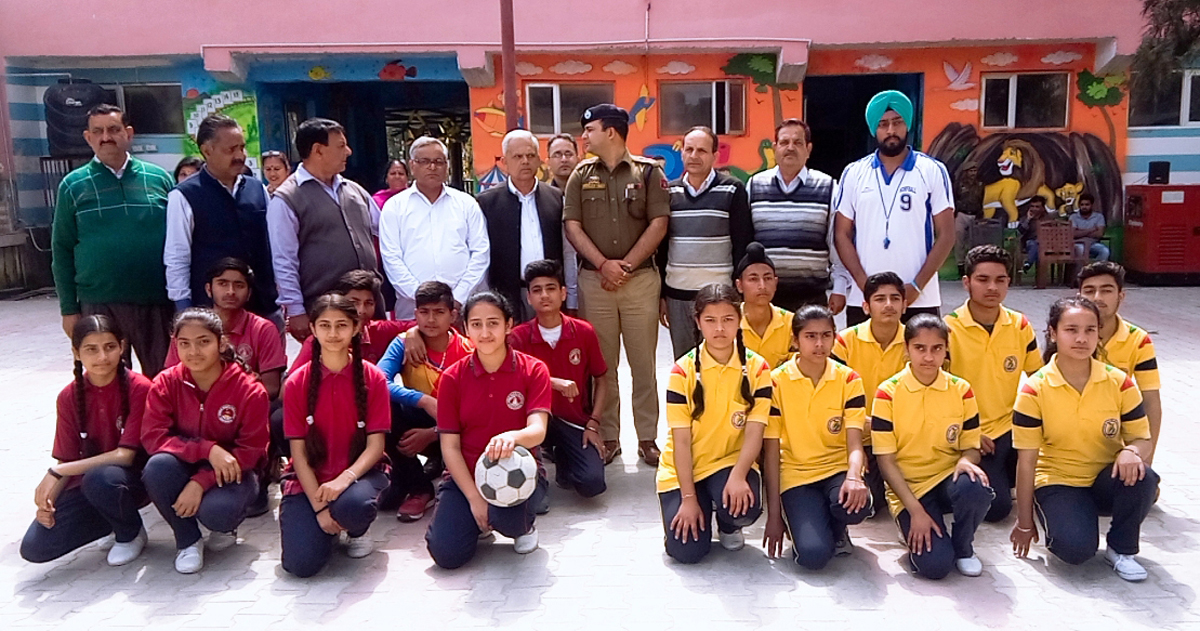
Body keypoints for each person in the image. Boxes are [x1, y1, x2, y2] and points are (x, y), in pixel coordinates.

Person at [1010, 297, 1157, 582]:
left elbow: (1142, 437)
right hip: (1059, 480)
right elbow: (1026, 463)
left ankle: (1121, 548)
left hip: (1106, 477)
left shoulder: (1119, 382)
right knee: (1075, 551)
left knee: (1144, 476)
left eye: (1090, 330)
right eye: (1071, 329)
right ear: (1053, 332)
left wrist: (1132, 451)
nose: (1081, 338)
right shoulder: (1034, 389)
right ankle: (1067, 519)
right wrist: (1024, 522)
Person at [563, 103, 670, 466]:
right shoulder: (580, 174)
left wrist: (625, 265)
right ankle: (609, 436)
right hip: (595, 282)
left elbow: (659, 222)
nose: (585, 136)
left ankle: (647, 438)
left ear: (611, 131)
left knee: (643, 364)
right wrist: (603, 264)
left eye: (590, 129)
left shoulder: (648, 172)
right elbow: (572, 226)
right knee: (603, 365)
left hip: (639, 281)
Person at [425, 292, 550, 569]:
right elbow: (450, 447)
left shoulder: (533, 370)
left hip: (520, 472)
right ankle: (478, 521)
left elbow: (538, 430)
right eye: (476, 324)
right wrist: (473, 498)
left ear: (508, 325)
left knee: (507, 519)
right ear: (466, 329)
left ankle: (522, 526)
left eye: (493, 323)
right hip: (465, 474)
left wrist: (512, 437)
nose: (485, 332)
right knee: (446, 555)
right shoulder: (452, 378)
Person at [140, 308, 269, 573]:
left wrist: (201, 481)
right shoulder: (166, 382)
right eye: (184, 344)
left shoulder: (249, 389)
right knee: (157, 468)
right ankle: (188, 540)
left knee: (217, 512)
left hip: (234, 472)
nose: (194, 352)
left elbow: (253, 450)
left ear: (221, 343)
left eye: (203, 342)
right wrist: (207, 449)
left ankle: (226, 525)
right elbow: (153, 437)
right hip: (181, 465)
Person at [51, 104, 176, 376]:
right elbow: (61, 249)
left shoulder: (160, 179)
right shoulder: (73, 185)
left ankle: (159, 422)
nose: (106, 137)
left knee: (163, 377)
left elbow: (179, 240)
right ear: (88, 137)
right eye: (98, 131)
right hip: (99, 301)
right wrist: (69, 310)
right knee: (109, 378)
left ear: (128, 133)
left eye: (113, 129)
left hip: (155, 300)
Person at [20, 316, 153, 566]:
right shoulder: (68, 396)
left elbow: (125, 455)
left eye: (110, 347)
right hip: (92, 485)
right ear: (76, 352)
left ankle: (130, 533)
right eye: (92, 349)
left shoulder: (141, 388)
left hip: (132, 480)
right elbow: (66, 458)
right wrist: (48, 503)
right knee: (35, 547)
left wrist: (56, 471)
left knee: (99, 478)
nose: (102, 357)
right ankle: (112, 520)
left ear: (122, 347)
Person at [872, 314, 993, 580]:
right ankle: (912, 525)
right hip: (909, 487)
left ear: (946, 349)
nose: (928, 357)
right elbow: (886, 462)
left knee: (976, 487)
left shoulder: (961, 390)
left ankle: (964, 546)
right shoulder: (887, 393)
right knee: (935, 566)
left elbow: (971, 446)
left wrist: (966, 460)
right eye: (920, 348)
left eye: (937, 348)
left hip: (947, 478)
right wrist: (915, 511)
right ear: (907, 349)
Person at [658, 283, 771, 564]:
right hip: (684, 469)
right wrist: (687, 497)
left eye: (727, 319)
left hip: (728, 464)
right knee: (687, 553)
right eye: (710, 320)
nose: (719, 329)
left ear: (740, 318)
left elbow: (755, 432)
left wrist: (738, 476)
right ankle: (699, 507)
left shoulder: (758, 367)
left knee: (743, 508)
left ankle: (728, 524)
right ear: (697, 321)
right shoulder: (682, 371)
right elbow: (681, 441)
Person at [279, 294, 391, 577]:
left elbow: (375, 446)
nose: (332, 333)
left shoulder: (372, 377)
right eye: (324, 325)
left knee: (354, 505)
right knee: (301, 566)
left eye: (341, 325)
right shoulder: (296, 382)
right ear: (313, 330)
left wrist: (344, 480)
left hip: (357, 477)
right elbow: (298, 454)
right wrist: (318, 509)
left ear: (355, 328)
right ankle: (326, 528)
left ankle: (354, 528)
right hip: (311, 482)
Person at [833, 91, 956, 327]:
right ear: (874, 129)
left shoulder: (932, 170)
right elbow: (841, 234)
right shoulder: (853, 173)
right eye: (883, 124)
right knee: (863, 363)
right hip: (864, 299)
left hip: (919, 297)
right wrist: (865, 285)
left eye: (897, 122)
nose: (891, 130)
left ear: (907, 125)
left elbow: (947, 235)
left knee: (922, 361)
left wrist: (916, 286)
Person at [762, 306, 870, 570]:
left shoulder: (849, 379)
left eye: (826, 335)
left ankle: (837, 524)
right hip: (797, 476)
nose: (819, 344)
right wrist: (774, 515)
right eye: (810, 336)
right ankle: (809, 521)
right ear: (795, 340)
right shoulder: (776, 382)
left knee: (857, 505)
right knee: (813, 557)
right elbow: (772, 452)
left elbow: (855, 444)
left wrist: (855, 477)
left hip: (837, 470)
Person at [945, 245, 1042, 522]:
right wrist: (967, 433)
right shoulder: (948, 329)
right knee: (996, 509)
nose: (992, 287)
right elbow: (935, 390)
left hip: (1011, 429)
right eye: (983, 279)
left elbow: (1039, 381)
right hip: (972, 435)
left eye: (1000, 280)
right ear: (967, 283)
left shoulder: (1020, 325)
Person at [267, 117, 381, 342]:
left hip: (367, 308)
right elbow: (284, 260)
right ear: (318, 150)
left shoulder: (354, 190)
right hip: (326, 312)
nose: (348, 151)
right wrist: (296, 310)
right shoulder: (287, 198)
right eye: (340, 146)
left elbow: (384, 232)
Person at [510, 260, 608, 505]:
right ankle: (539, 468)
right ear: (529, 298)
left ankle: (562, 455)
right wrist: (554, 383)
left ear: (563, 293)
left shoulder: (583, 332)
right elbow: (510, 379)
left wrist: (593, 424)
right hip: (531, 421)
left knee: (591, 483)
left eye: (551, 288)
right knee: (535, 500)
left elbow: (602, 378)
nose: (544, 295)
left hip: (573, 420)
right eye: (537, 290)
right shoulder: (518, 337)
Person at [165, 114, 279, 321]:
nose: (240, 155)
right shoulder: (184, 196)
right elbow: (177, 256)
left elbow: (274, 245)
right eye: (231, 150)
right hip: (210, 314)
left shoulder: (257, 189)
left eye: (242, 148)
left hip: (263, 308)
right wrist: (184, 307)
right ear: (207, 151)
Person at [376, 281, 473, 522]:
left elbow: (478, 407)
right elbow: (378, 381)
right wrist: (423, 400)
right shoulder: (403, 343)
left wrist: (435, 432)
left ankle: (446, 468)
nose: (431, 320)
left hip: (460, 430)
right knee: (381, 407)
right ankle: (420, 488)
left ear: (453, 315)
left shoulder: (469, 350)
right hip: (418, 423)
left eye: (439, 312)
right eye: (424, 312)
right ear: (415, 313)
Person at [659, 126, 753, 358]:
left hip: (718, 295)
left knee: (720, 360)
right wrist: (662, 296)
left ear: (714, 155)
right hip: (677, 295)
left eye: (701, 150)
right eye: (689, 149)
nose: (693, 156)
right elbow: (661, 248)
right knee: (684, 363)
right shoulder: (668, 192)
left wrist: (737, 293)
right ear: (682, 154)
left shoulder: (732, 189)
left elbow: (742, 243)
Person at [379, 136, 490, 320]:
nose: (432, 167)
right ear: (412, 165)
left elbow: (480, 253)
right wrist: (423, 299)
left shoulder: (466, 204)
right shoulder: (394, 206)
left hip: (461, 309)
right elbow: (391, 258)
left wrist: (458, 298)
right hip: (413, 309)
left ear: (447, 166)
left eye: (439, 162)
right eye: (425, 161)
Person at [748, 118, 848, 313]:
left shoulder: (827, 187)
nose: (790, 148)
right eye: (784, 142)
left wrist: (840, 287)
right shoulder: (754, 185)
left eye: (798, 142)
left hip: (811, 296)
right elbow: (746, 240)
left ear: (808, 149)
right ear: (775, 147)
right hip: (765, 299)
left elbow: (837, 241)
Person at [830, 272, 909, 513]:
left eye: (895, 299)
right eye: (880, 299)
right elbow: (832, 394)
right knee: (862, 504)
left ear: (905, 305)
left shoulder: (916, 340)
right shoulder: (844, 342)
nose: (888, 305)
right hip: (856, 436)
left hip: (902, 438)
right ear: (866, 306)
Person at [1078, 262, 1163, 465]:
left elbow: (1150, 400)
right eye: (1089, 291)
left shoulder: (1138, 340)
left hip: (1119, 442)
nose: (1097, 298)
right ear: (1078, 296)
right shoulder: (1067, 336)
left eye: (1106, 290)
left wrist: (1146, 460)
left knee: (1143, 485)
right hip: (1072, 443)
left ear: (1121, 296)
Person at [165, 258, 286, 399]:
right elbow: (170, 380)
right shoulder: (187, 328)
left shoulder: (264, 329)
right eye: (222, 284)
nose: (230, 292)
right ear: (209, 289)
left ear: (249, 293)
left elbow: (271, 387)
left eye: (239, 285)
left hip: (245, 404)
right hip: (194, 403)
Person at [478, 130, 566, 322]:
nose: (525, 161)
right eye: (518, 156)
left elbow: (566, 252)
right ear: (505, 162)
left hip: (550, 295)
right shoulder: (487, 203)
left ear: (539, 160)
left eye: (530, 155)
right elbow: (481, 255)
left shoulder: (556, 198)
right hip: (509, 295)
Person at [288, 270, 413, 369]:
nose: (361, 310)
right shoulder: (319, 340)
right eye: (354, 302)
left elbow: (424, 325)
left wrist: (413, 333)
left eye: (368, 303)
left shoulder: (379, 330)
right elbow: (287, 390)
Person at [734, 243, 793, 369]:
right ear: (739, 285)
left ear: (776, 283)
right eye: (753, 279)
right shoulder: (728, 322)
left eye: (768, 278)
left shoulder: (792, 322)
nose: (762, 286)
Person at [545, 133, 581, 313]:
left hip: (590, 281)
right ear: (548, 161)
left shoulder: (590, 194)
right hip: (554, 283)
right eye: (557, 155)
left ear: (578, 157)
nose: (564, 159)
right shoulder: (541, 200)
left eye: (569, 154)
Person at [952, 161, 985, 276]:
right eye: (970, 171)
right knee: (959, 239)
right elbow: (954, 198)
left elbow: (981, 199)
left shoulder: (980, 184)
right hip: (962, 214)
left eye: (974, 171)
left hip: (975, 214)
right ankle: (960, 265)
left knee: (973, 241)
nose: (973, 173)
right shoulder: (959, 183)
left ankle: (973, 265)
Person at [1071, 193, 1109, 261]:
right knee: (1080, 249)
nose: (1084, 207)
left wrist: (1080, 231)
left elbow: (1099, 234)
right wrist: (1092, 229)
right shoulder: (1073, 217)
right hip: (1077, 244)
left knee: (1105, 251)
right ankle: (1080, 271)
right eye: (1082, 205)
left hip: (1093, 244)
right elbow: (1073, 234)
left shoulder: (1099, 217)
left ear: (1092, 205)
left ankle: (1095, 269)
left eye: (1087, 204)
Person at [1019, 196, 1051, 272]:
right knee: (1034, 244)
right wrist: (1028, 219)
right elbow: (1020, 232)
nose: (1034, 209)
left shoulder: (1048, 218)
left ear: (1043, 208)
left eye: (1037, 207)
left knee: (1039, 245)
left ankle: (1028, 263)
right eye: (1032, 206)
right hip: (1030, 243)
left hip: (1047, 244)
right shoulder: (1025, 218)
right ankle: (1030, 264)